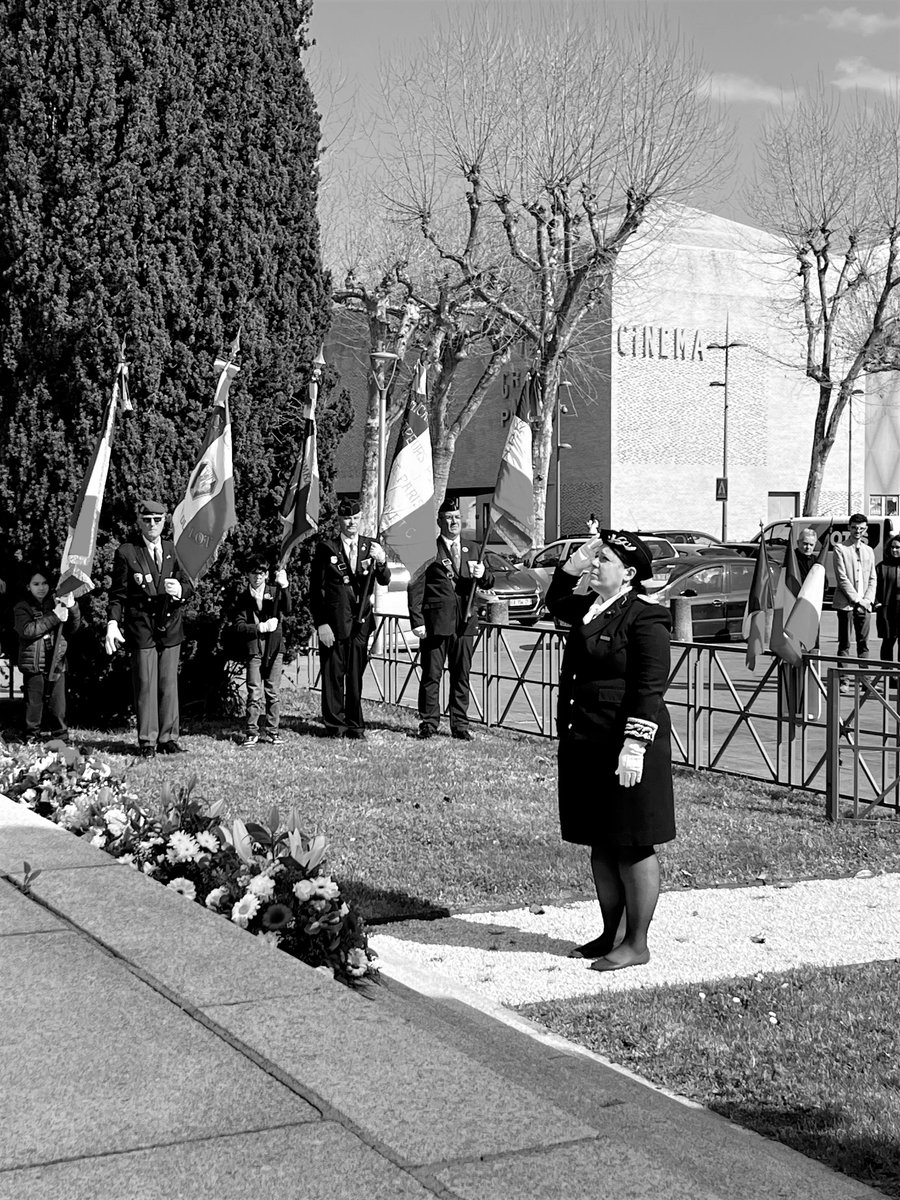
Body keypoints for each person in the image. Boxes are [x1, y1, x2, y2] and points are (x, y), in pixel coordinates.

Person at [545, 530, 674, 973]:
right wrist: (574, 562)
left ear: (629, 573)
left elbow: (650, 685)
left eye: (605, 560)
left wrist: (635, 744)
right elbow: (555, 603)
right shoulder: (589, 608)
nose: (595, 565)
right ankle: (611, 931)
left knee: (632, 842)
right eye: (595, 558)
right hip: (589, 738)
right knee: (601, 839)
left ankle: (636, 942)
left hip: (627, 740)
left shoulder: (646, 617)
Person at [105, 498, 193, 756]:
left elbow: (189, 585)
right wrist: (112, 622)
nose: (152, 524)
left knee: (168, 684)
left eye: (157, 519)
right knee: (145, 684)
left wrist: (180, 592)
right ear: (139, 522)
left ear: (164, 520)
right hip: (141, 627)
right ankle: (147, 741)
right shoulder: (127, 552)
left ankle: (168, 738)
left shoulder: (173, 549)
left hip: (169, 626)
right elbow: (117, 594)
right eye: (147, 520)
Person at [408, 496, 494, 741]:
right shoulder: (428, 550)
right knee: (431, 674)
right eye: (448, 518)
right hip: (436, 622)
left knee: (461, 675)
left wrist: (484, 573)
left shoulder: (474, 549)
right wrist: (417, 620)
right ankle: (429, 722)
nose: (453, 522)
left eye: (457, 518)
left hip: (465, 621)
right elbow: (416, 586)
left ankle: (459, 723)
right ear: (440, 521)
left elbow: (489, 582)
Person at [309, 497, 389, 739]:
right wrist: (321, 623)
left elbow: (384, 579)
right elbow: (316, 590)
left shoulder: (370, 546)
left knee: (355, 677)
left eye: (355, 518)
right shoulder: (327, 548)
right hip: (333, 623)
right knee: (333, 676)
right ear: (340, 521)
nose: (351, 523)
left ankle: (355, 725)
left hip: (360, 623)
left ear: (360, 519)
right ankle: (335, 725)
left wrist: (382, 560)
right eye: (346, 519)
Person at [229, 554, 291, 746]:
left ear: (266, 575)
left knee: (272, 691)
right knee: (254, 690)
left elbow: (288, 609)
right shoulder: (243, 597)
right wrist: (259, 628)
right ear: (248, 575)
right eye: (254, 573)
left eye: (262, 573)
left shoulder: (275, 591)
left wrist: (285, 586)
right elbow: (238, 625)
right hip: (254, 647)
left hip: (274, 646)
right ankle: (251, 730)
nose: (258, 577)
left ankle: (273, 730)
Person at [14, 569, 81, 743]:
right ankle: (31, 736)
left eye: (44, 583)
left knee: (58, 704)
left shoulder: (56, 602)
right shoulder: (22, 607)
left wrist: (72, 607)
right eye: (36, 584)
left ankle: (60, 735)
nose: (41, 588)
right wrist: (54, 616)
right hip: (34, 664)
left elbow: (73, 627)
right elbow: (28, 630)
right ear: (28, 586)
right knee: (34, 704)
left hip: (56, 661)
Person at [832, 514, 876, 693]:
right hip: (846, 604)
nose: (857, 531)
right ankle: (844, 679)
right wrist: (856, 600)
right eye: (854, 528)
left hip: (864, 604)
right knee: (845, 642)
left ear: (865, 529)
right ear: (849, 528)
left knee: (863, 642)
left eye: (861, 528)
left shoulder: (869, 550)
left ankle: (865, 679)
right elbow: (841, 578)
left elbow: (872, 577)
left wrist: (867, 600)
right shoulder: (840, 549)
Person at [875, 535, 900, 664]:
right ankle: (887, 676)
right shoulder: (882, 566)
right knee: (888, 643)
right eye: (892, 547)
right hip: (888, 610)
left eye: (898, 547)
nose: (894, 550)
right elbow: (873, 585)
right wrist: (877, 603)